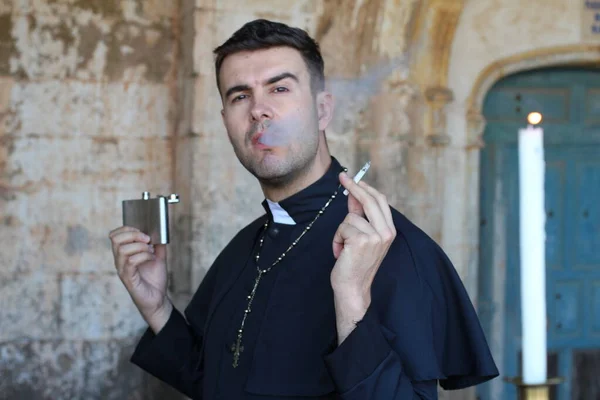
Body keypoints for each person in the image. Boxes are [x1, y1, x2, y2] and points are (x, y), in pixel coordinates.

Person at [109, 19, 498, 400]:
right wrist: (156, 306)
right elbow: (213, 382)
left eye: (279, 88)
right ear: (226, 121)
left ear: (323, 110)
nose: (259, 110)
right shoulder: (245, 246)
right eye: (240, 96)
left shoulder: (398, 249)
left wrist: (352, 302)